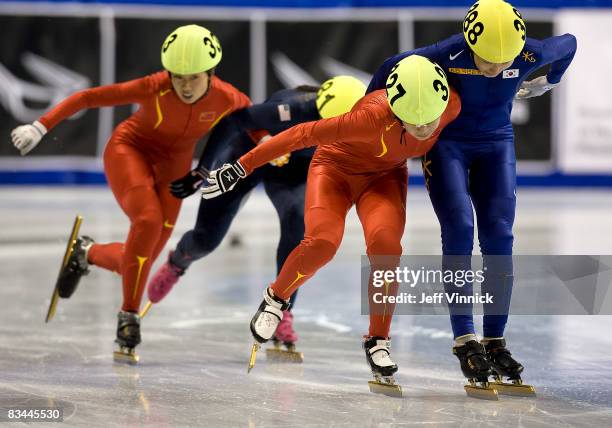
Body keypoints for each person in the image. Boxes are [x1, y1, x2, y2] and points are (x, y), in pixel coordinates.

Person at [200, 55, 461, 396]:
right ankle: (276, 299)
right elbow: (300, 134)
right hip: (334, 169)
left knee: (387, 250)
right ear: (396, 108)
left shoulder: (451, 105)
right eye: (416, 121)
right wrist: (239, 167)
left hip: (384, 177)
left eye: (432, 120)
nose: (426, 127)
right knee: (323, 242)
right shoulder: (367, 118)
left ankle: (378, 340)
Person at [367, 0, 576, 398]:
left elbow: (568, 43)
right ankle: (465, 338)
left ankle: (494, 341)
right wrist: (375, 110)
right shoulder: (446, 53)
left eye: (504, 61)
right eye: (485, 60)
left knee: (500, 238)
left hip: (496, 144)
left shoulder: (531, 51)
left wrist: (551, 80)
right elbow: (391, 66)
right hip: (446, 145)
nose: (495, 68)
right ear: (469, 40)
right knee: (460, 229)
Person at [10, 24, 252, 364]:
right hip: (130, 152)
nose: (183, 85)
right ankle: (128, 317)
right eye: (177, 76)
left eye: (193, 77)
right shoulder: (154, 86)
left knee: (141, 261)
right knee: (148, 221)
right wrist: (41, 125)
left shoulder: (229, 98)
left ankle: (87, 252)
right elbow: (89, 97)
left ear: (211, 73)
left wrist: (273, 148)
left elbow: (255, 124)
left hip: (176, 167)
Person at [145, 76, 366, 360]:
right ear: (320, 113)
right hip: (247, 155)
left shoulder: (363, 121)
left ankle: (282, 310)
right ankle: (179, 261)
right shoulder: (291, 109)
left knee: (299, 225)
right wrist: (204, 170)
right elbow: (234, 121)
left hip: (293, 170)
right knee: (206, 239)